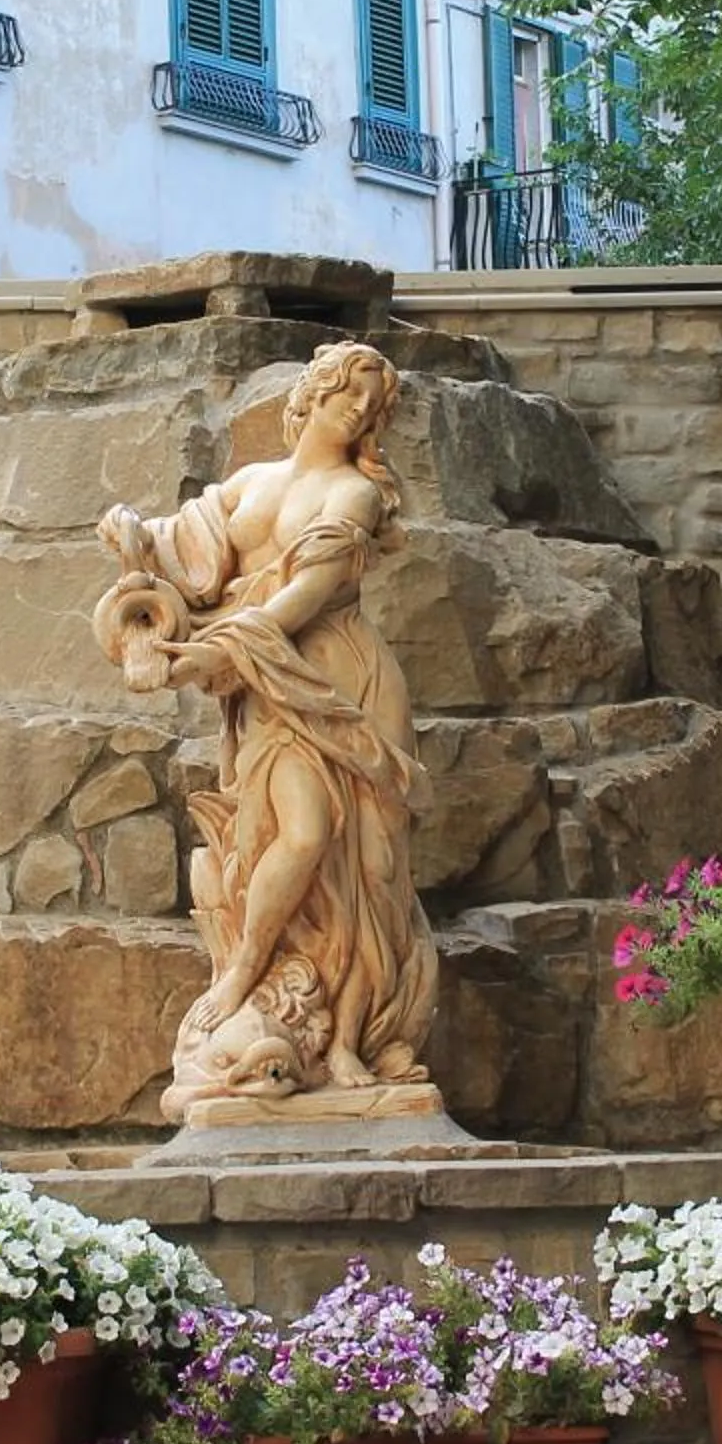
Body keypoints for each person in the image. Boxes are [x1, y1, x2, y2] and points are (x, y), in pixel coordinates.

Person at [96, 342, 438, 1113]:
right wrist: (134, 536)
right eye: (348, 393)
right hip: (266, 691)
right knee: (298, 835)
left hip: (340, 685)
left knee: (367, 868)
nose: (358, 410)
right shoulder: (251, 483)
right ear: (313, 394)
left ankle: (348, 1039)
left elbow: (299, 602)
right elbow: (183, 559)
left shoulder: (355, 494)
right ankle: (246, 972)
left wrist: (207, 657)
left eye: (371, 405)